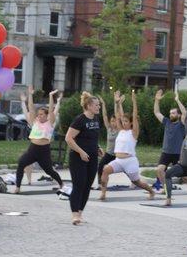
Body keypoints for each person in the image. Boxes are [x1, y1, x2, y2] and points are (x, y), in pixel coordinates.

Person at [99, 90, 156, 201]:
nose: (123, 123)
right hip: (118, 161)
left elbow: (134, 116)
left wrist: (134, 101)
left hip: (130, 161)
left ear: (130, 123)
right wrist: (116, 103)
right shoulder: (120, 131)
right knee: (105, 170)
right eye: (123, 121)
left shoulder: (133, 133)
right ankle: (103, 193)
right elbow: (117, 115)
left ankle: (151, 191)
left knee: (136, 182)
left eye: (126, 121)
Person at [14, 87, 65, 194]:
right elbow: (31, 108)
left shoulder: (50, 122)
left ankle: (61, 184)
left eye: (42, 114)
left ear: (47, 116)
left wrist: (51, 96)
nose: (39, 116)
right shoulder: (35, 122)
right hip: (33, 149)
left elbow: (51, 110)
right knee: (21, 164)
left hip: (44, 150)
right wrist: (30, 94)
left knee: (49, 171)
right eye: (39, 114)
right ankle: (17, 187)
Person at [65, 92, 102, 225]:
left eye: (99, 105)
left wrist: (97, 148)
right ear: (89, 106)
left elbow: (91, 137)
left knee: (87, 186)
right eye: (96, 105)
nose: (99, 107)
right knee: (79, 185)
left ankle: (80, 213)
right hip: (78, 157)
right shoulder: (80, 119)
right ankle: (74, 215)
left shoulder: (96, 119)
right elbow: (68, 138)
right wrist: (81, 152)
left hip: (92, 157)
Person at [154, 89, 187, 193]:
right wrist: (157, 100)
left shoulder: (181, 124)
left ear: (178, 115)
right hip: (166, 152)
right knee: (159, 170)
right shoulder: (167, 122)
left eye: (173, 113)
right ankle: (166, 188)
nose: (171, 115)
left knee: (181, 174)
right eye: (170, 113)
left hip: (177, 153)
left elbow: (185, 113)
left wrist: (177, 100)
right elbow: (157, 112)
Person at [95, 95, 119, 188]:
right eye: (112, 121)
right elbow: (104, 115)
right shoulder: (109, 128)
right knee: (101, 166)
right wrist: (103, 104)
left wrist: (116, 103)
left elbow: (117, 113)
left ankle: (134, 181)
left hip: (118, 155)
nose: (113, 123)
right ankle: (100, 184)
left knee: (126, 168)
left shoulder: (120, 130)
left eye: (115, 121)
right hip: (109, 154)